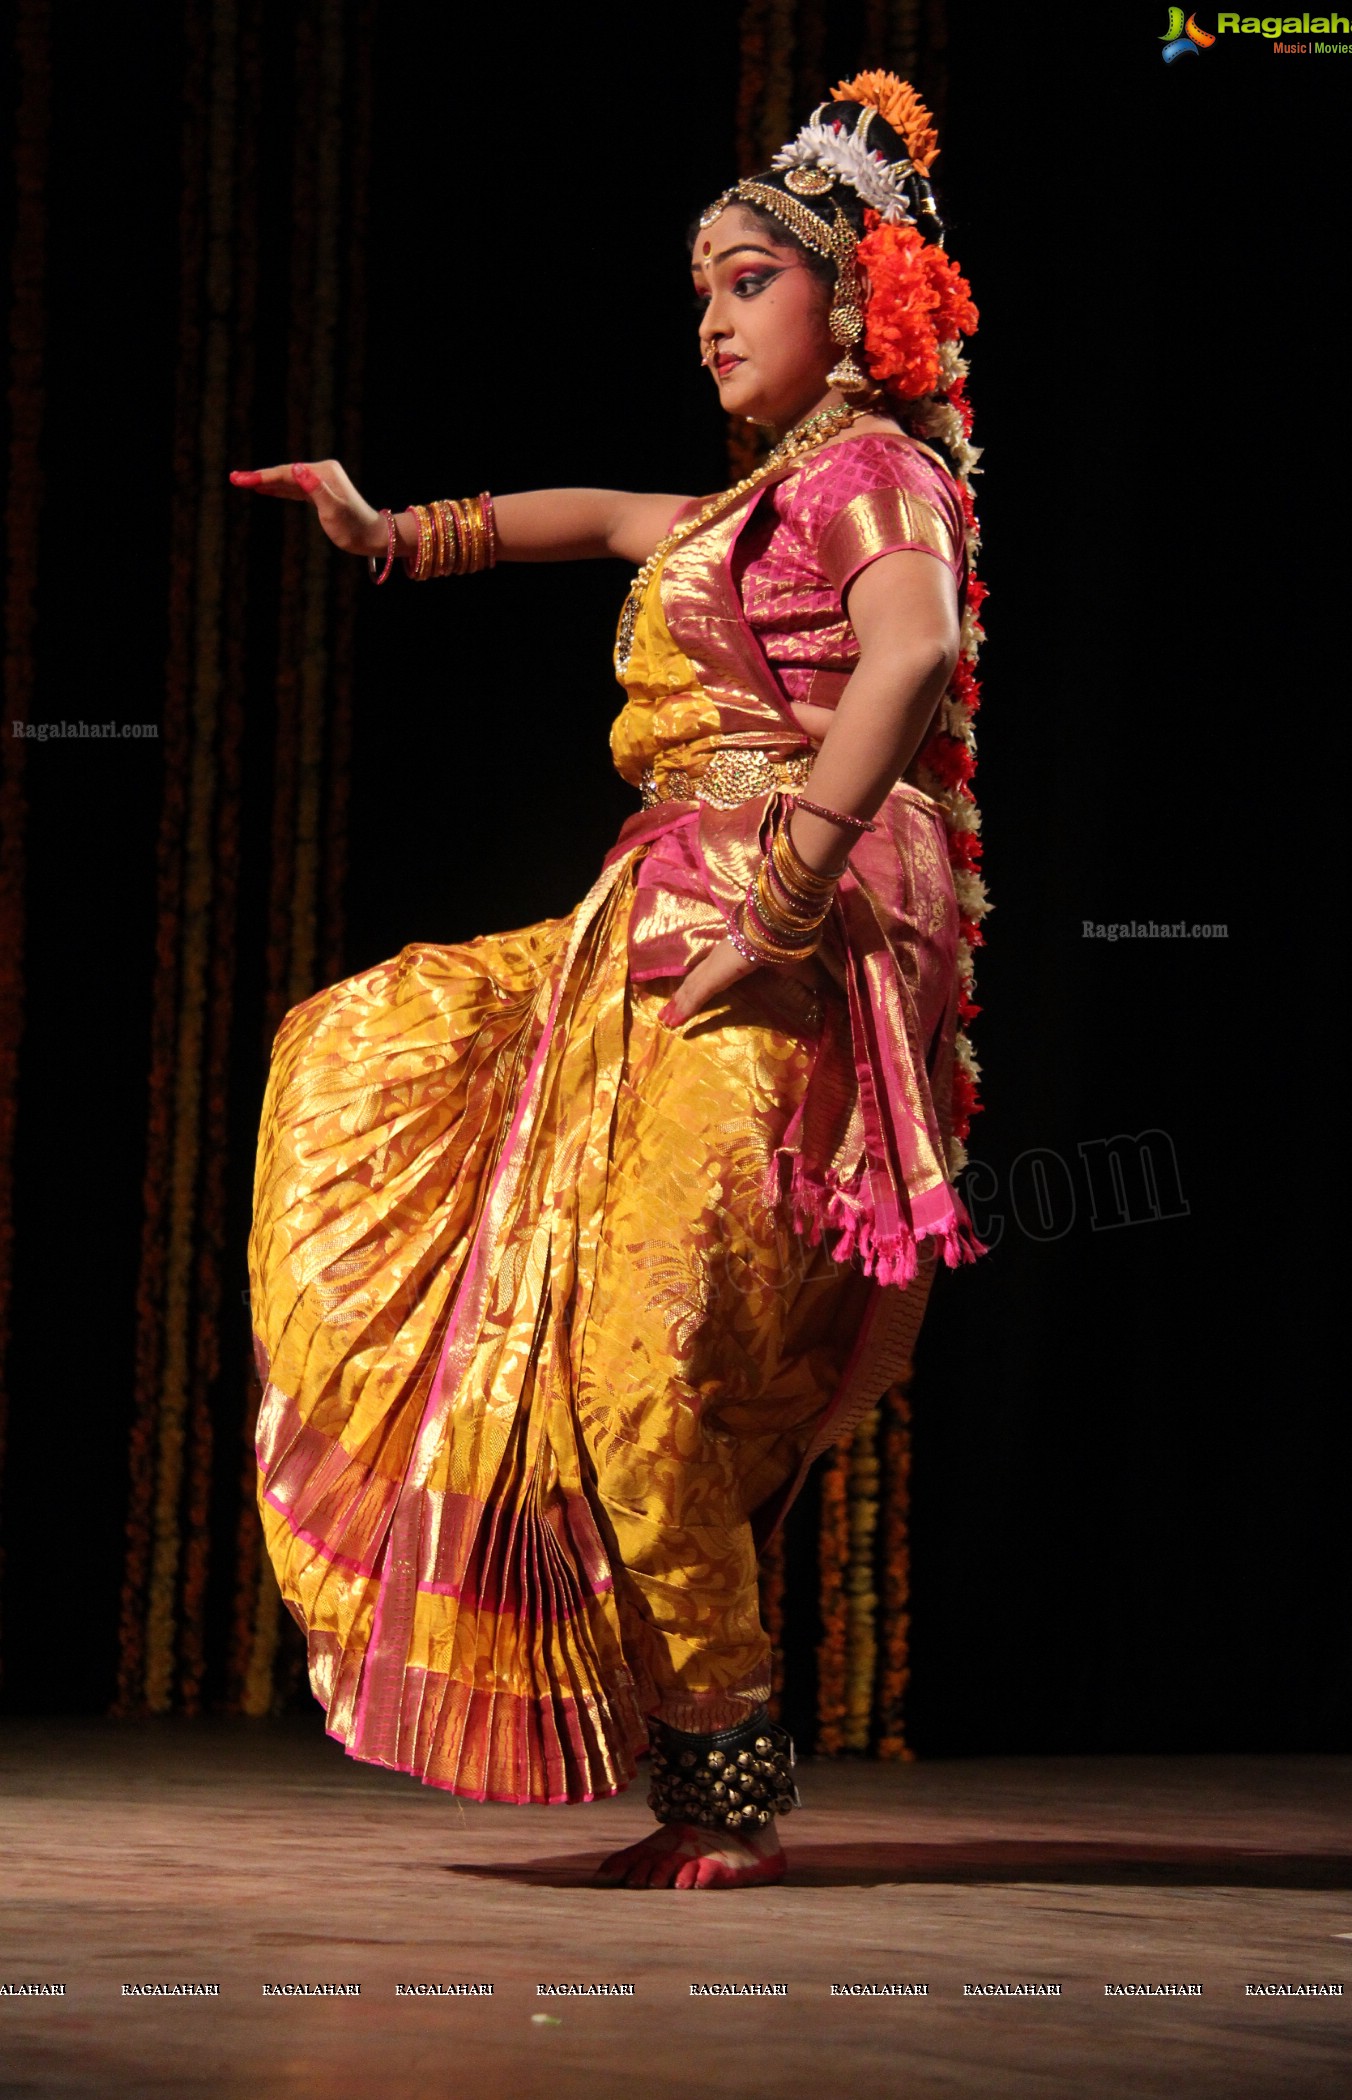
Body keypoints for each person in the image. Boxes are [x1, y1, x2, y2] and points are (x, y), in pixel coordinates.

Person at [232, 70, 989, 1891]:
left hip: (770, 936)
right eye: (705, 289)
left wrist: (791, 898)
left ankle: (723, 1772)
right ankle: (691, 1759)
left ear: (849, 303)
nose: (716, 316)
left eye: (748, 279)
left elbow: (917, 659)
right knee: (412, 1110)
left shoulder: (879, 473)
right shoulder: (764, 500)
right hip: (654, 932)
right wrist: (398, 530)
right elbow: (599, 519)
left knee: (646, 1358)